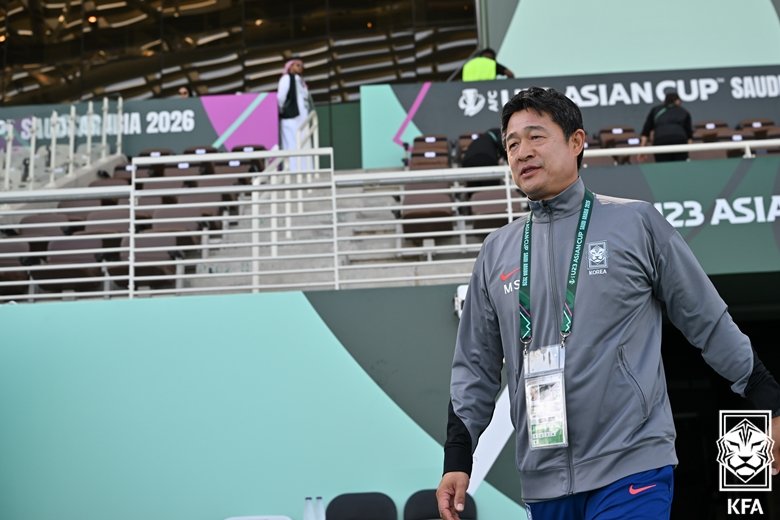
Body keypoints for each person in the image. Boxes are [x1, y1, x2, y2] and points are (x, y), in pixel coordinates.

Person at [436, 87, 780, 520]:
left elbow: (706, 320)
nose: (522, 151)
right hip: (544, 481)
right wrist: (457, 457)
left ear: (577, 142)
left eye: (536, 137)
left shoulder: (637, 223)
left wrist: (766, 395)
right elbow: (475, 366)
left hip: (632, 464)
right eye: (512, 143)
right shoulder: (496, 251)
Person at [277, 58, 313, 172]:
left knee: (304, 144)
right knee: (292, 144)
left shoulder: (301, 81)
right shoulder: (286, 79)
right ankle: (294, 171)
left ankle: (306, 170)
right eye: (297, 65)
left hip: (302, 120)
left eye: (301, 65)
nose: (299, 67)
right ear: (290, 66)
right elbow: (280, 98)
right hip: (291, 119)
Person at [638, 90, 693, 162]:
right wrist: (686, 153)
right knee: (680, 166)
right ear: (677, 101)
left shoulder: (655, 110)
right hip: (679, 140)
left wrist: (642, 150)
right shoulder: (683, 111)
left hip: (660, 140)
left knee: (663, 166)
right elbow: (689, 136)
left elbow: (645, 133)